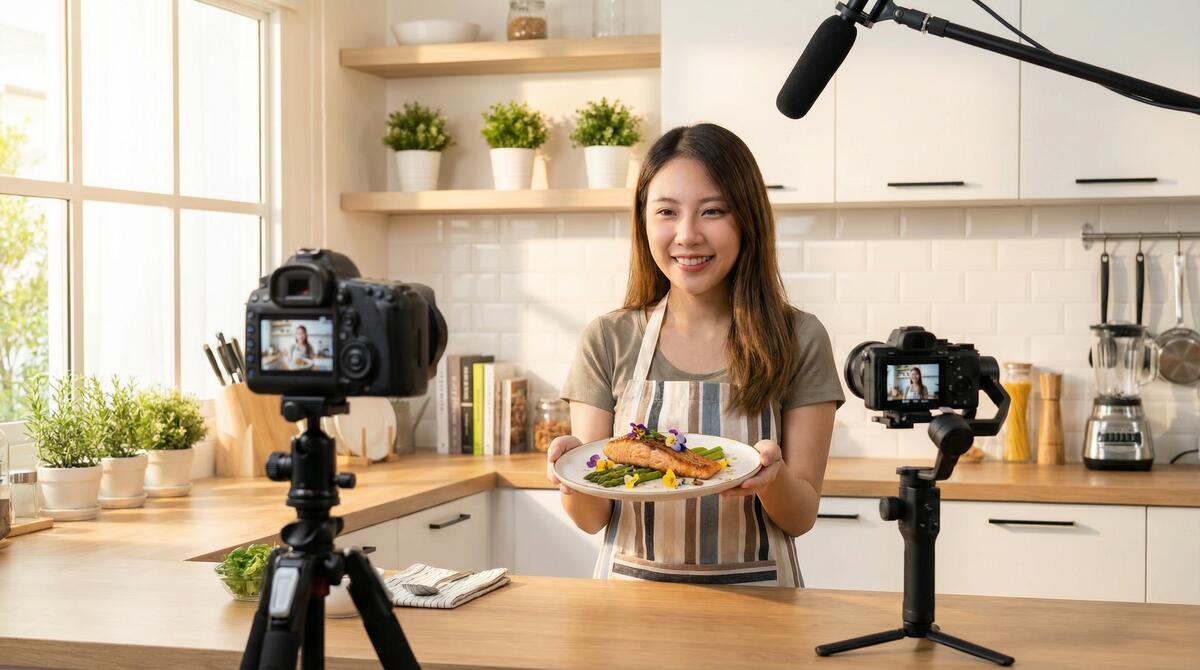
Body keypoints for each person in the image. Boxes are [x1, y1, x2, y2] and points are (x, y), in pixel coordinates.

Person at [548, 124, 844, 587]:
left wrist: (774, 478)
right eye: (666, 211)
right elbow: (591, 518)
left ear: (747, 219)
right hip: (632, 605)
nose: (686, 235)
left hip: (761, 605)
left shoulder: (798, 337)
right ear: (644, 221)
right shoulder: (608, 338)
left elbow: (800, 516)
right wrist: (571, 477)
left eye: (712, 211)